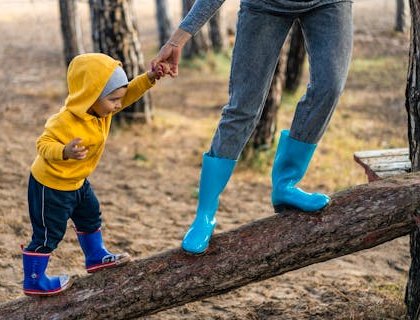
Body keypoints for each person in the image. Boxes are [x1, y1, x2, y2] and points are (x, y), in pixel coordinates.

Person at [151, 0, 353, 254]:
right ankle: (205, 215)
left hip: (328, 4)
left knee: (329, 88)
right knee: (242, 108)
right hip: (264, 5)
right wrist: (178, 39)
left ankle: (285, 185)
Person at [22, 53, 169, 296]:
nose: (118, 105)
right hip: (51, 185)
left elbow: (128, 93)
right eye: (113, 100)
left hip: (78, 181)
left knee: (90, 215)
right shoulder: (65, 120)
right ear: (91, 96)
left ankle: (95, 256)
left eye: (118, 99)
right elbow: (42, 143)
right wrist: (64, 151)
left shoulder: (103, 109)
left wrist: (150, 77)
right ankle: (34, 280)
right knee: (49, 233)